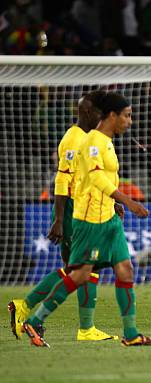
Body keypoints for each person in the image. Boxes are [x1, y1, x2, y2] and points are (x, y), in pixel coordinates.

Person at [20, 92, 151, 347]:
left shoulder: (106, 141)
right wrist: (128, 201)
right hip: (90, 219)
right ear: (112, 116)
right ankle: (34, 319)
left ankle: (130, 334)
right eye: (127, 116)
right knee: (80, 275)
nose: (130, 122)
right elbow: (95, 178)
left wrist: (115, 202)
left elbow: (104, 179)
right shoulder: (92, 143)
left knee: (125, 270)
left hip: (108, 217)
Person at [8, 90, 119, 342]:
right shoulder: (73, 139)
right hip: (71, 209)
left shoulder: (90, 138)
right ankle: (34, 311)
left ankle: (77, 325)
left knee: (80, 268)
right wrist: (59, 219)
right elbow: (62, 180)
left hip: (86, 207)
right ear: (88, 112)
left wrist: (111, 200)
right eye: (100, 113)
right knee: (82, 267)